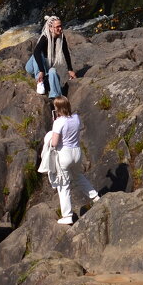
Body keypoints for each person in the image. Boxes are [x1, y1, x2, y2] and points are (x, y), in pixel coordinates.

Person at [42, 96, 99, 225]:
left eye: (56, 107)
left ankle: (67, 215)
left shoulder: (58, 122)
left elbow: (55, 143)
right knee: (78, 176)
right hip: (77, 153)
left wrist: (50, 135)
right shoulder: (76, 118)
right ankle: (95, 196)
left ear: (58, 108)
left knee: (64, 185)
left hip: (65, 154)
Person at [25, 15, 76, 98]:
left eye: (61, 26)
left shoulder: (61, 38)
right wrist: (41, 71)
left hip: (45, 63)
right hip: (33, 66)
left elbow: (66, 52)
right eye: (57, 27)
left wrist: (70, 70)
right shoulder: (45, 37)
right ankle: (40, 81)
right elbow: (36, 51)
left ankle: (45, 81)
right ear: (51, 28)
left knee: (52, 70)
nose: (60, 28)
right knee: (38, 53)